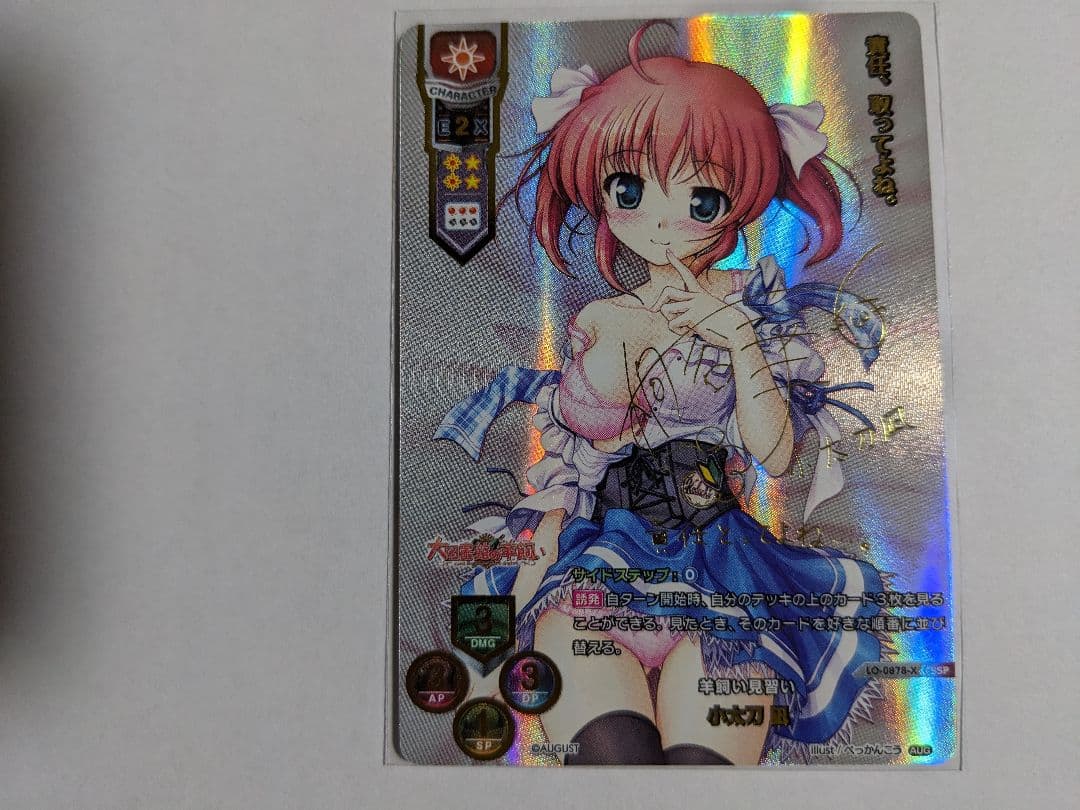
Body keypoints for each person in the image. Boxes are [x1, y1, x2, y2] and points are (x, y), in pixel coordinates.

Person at [436, 20, 886, 765]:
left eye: (702, 198)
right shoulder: (601, 318)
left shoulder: (755, 304)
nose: (663, 220)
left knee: (702, 778)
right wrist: (620, 351)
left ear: (740, 202)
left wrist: (737, 338)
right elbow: (580, 442)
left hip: (724, 576)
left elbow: (775, 455)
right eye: (629, 189)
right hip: (602, 570)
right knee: (615, 767)